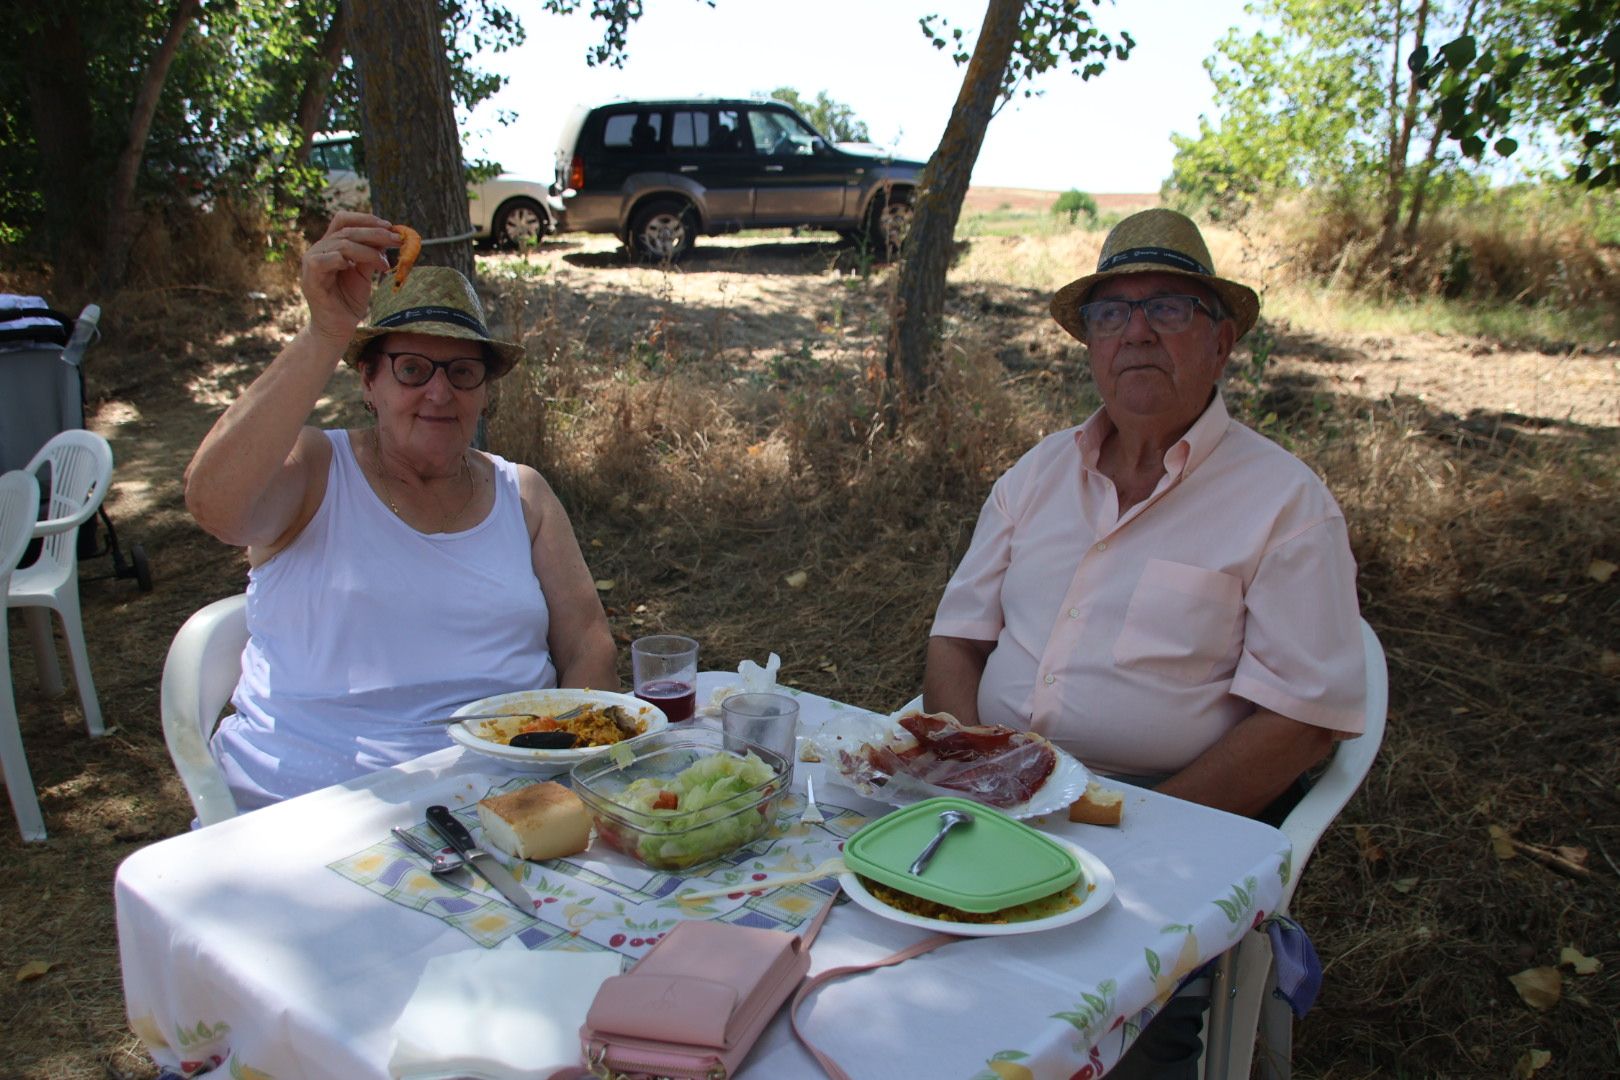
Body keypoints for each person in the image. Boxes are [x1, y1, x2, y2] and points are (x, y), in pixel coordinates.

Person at [921, 208, 1366, 1077]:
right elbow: (956, 639)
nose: (1136, 334)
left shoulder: (1285, 503)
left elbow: (1306, 720)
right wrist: (966, 770)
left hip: (1163, 815)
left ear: (1221, 340)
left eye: (1168, 308)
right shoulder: (1036, 475)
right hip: (995, 793)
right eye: (1111, 313)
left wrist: (1131, 834)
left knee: (1096, 1037)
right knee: (871, 970)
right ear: (1088, 342)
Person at [185, 212, 617, 811]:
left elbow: (588, 642)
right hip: (317, 806)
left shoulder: (523, 493)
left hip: (508, 798)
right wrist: (324, 332)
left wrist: (564, 762)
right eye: (412, 369)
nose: (439, 394)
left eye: (463, 373)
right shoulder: (315, 470)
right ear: (368, 381)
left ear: (484, 391)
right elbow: (214, 505)